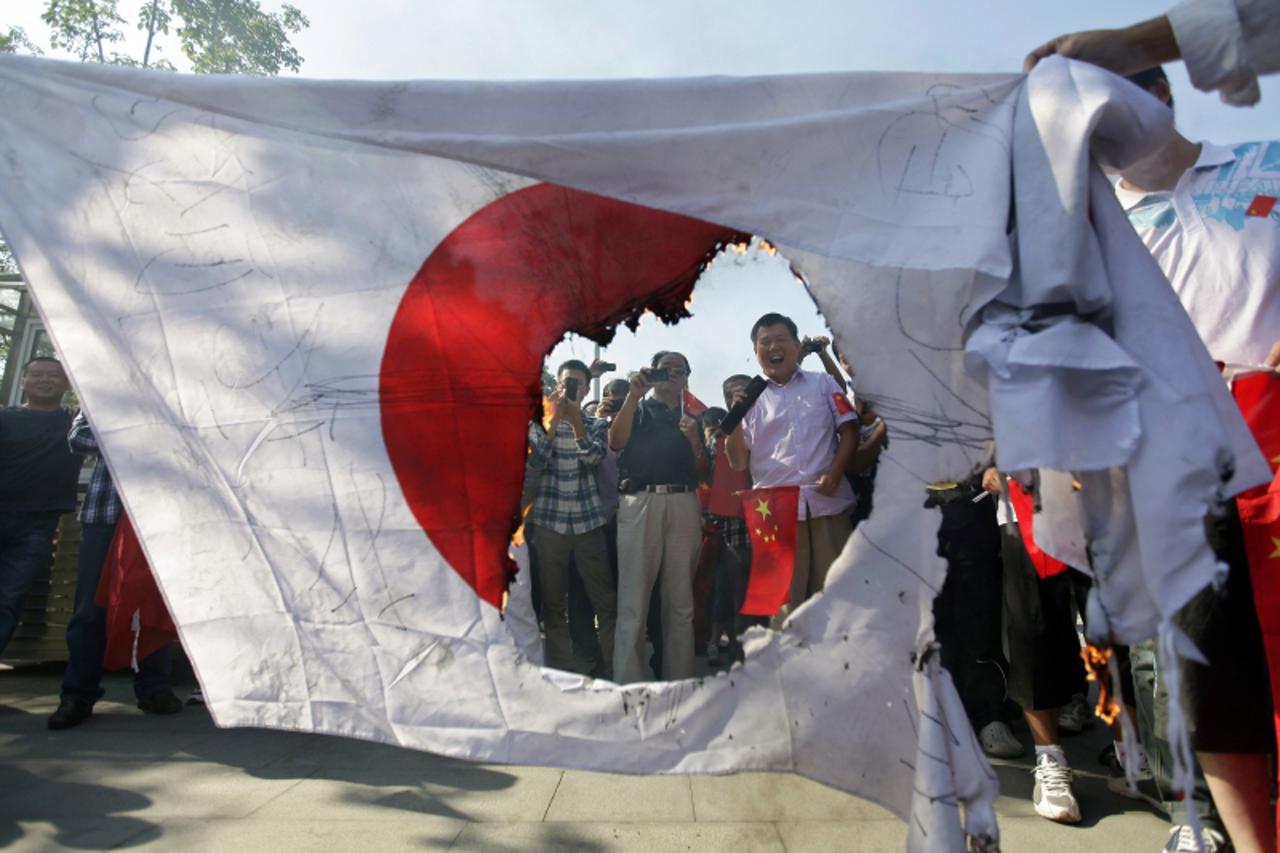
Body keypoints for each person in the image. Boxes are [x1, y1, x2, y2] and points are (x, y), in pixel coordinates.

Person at [1113, 65, 1279, 853]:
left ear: (1159, 96)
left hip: (1274, 433)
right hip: (1176, 469)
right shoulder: (1093, 238)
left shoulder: (1267, 162)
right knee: (1215, 669)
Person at [47, 411, 182, 730]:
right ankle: (77, 695)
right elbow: (78, 436)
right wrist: (141, 438)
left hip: (163, 515)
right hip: (105, 515)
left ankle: (154, 688)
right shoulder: (107, 385)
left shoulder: (178, 392)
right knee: (90, 609)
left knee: (157, 606)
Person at [724, 314, 859, 613]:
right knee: (784, 606)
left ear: (797, 346)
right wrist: (734, 419)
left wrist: (835, 474)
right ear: (755, 351)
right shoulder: (748, 400)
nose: (774, 346)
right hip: (773, 514)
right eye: (765, 341)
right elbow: (736, 462)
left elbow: (850, 430)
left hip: (827, 503)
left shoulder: (824, 383)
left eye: (781, 339)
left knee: (838, 598)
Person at [609, 351, 709, 683]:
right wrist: (633, 396)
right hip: (641, 502)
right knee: (633, 601)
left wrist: (695, 440)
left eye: (681, 370)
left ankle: (679, 681)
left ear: (688, 377)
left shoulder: (693, 417)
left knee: (681, 603)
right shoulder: (636, 408)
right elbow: (615, 441)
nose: (674, 375)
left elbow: (703, 473)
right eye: (666, 369)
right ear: (653, 373)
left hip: (683, 503)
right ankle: (628, 683)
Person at [525, 359, 616, 678]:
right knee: (553, 604)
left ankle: (613, 669)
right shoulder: (539, 422)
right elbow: (535, 464)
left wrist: (577, 421)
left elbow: (593, 457)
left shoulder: (595, 424)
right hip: (550, 525)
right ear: (559, 386)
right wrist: (552, 426)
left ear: (586, 388)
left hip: (588, 524)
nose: (573, 389)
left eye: (579, 383)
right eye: (568, 383)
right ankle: (562, 670)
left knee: (604, 601)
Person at [1024, 0, 1280, 107]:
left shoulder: (1267, 165)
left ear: (1158, 93)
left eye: (1095, 96)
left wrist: (1136, 44)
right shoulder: (1080, 218)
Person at [0, 357, 81, 655]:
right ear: (23, 382)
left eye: (54, 375)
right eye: (36, 374)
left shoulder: (75, 423)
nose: (45, 379)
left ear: (68, 383)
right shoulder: (5, 418)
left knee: (10, 597)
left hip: (38, 524)